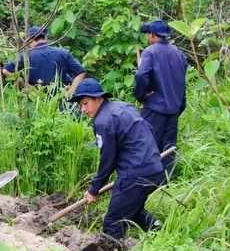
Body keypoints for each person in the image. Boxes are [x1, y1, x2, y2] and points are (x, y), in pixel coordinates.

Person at [69, 79, 165, 239]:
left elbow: (108, 159)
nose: (83, 109)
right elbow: (148, 129)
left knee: (113, 222)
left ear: (98, 98)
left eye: (85, 103)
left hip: (135, 175)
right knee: (131, 209)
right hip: (154, 169)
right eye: (80, 106)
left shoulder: (102, 122)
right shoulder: (123, 107)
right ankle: (162, 235)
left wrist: (94, 189)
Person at [134, 20, 187, 176]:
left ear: (151, 34)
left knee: (147, 145)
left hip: (155, 106)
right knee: (168, 149)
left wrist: (141, 96)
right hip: (174, 109)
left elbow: (141, 75)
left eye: (147, 34)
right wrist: (180, 105)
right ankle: (165, 184)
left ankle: (147, 183)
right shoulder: (179, 53)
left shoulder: (150, 52)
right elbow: (182, 82)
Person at [3, 26, 86, 97]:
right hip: (59, 100)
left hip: (36, 100)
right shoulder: (63, 53)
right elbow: (81, 72)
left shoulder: (24, 56)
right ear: (45, 38)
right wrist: (68, 94)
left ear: (29, 41)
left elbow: (6, 71)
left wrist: (25, 84)